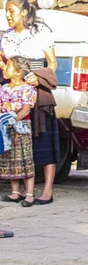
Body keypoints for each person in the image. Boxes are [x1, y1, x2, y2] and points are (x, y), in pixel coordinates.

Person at [0, 0, 60, 204]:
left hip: (37, 91)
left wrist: (38, 76)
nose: (7, 15)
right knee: (17, 143)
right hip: (13, 95)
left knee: (43, 142)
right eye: (6, 11)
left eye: (11, 11)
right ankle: (20, 191)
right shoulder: (6, 36)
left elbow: (53, 63)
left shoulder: (41, 31)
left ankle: (47, 190)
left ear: (24, 12)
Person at [0, 56, 37, 207]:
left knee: (24, 157)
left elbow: (25, 109)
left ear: (18, 73)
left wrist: (12, 119)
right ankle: (15, 192)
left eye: (8, 67)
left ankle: (29, 193)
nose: (4, 69)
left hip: (20, 126)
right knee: (10, 158)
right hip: (4, 126)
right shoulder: (3, 88)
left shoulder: (27, 89)